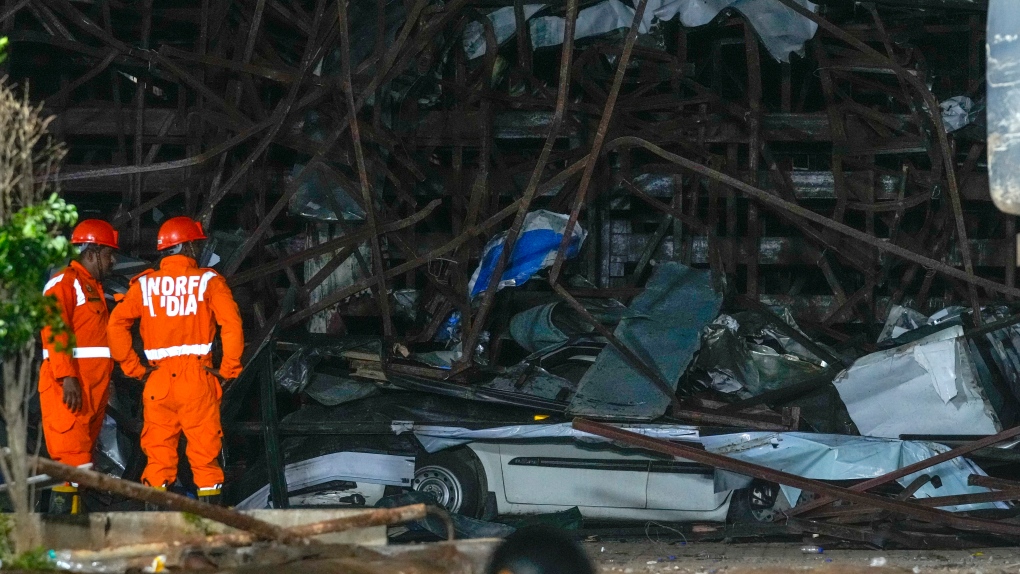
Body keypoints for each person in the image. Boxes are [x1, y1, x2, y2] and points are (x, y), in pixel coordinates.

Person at [107, 216, 243, 505]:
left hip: (157, 381)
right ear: (188, 248)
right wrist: (227, 370)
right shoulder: (208, 281)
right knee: (205, 461)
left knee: (157, 460)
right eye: (195, 245)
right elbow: (231, 325)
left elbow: (115, 326)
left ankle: (155, 537)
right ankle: (210, 535)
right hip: (197, 379)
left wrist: (135, 369)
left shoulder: (144, 285)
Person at [39, 219, 119, 514]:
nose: (113, 261)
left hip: (90, 389)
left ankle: (70, 535)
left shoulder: (91, 287)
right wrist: (66, 375)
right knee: (71, 462)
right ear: (92, 251)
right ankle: (62, 542)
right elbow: (53, 327)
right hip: (70, 386)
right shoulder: (65, 282)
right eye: (109, 254)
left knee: (81, 463)